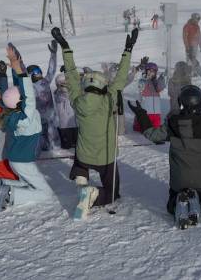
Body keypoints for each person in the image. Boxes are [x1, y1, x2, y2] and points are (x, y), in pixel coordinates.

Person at [51, 26, 137, 220]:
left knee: (80, 162)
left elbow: (71, 74)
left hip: (83, 154)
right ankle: (93, 195)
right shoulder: (109, 100)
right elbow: (121, 78)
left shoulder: (77, 100)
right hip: (105, 156)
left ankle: (82, 184)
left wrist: (65, 46)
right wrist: (128, 50)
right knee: (113, 193)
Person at [128, 85, 201, 228]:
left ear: (181, 103)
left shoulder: (173, 122)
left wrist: (141, 114)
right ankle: (199, 203)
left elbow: (152, 134)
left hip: (178, 180)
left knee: (171, 202)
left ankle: (177, 202)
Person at [0, 43, 54, 214]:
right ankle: (10, 194)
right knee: (46, 193)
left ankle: (1, 183)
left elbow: (21, 91)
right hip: (23, 162)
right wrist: (18, 69)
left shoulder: (12, 113)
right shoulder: (26, 115)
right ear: (20, 101)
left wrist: (16, 68)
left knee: (27, 183)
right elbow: (28, 93)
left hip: (16, 160)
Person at [26, 40, 59, 153]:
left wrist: (53, 54)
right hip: (42, 118)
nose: (39, 75)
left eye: (38, 73)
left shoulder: (43, 82)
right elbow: (51, 69)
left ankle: (51, 146)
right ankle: (47, 147)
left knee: (49, 135)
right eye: (37, 73)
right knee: (44, 135)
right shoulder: (34, 85)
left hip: (47, 117)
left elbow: (51, 69)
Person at [133, 62, 166, 131]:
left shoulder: (156, 82)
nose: (151, 73)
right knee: (142, 129)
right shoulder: (142, 80)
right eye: (149, 71)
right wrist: (145, 77)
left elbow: (160, 88)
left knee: (156, 129)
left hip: (156, 112)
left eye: (153, 71)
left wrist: (162, 78)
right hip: (146, 112)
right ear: (146, 71)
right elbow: (141, 88)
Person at [54, 73, 78, 149]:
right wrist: (64, 89)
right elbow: (62, 97)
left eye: (65, 82)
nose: (64, 85)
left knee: (77, 145)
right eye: (62, 83)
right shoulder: (58, 93)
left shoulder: (73, 92)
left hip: (75, 125)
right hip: (64, 126)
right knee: (66, 146)